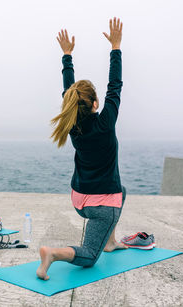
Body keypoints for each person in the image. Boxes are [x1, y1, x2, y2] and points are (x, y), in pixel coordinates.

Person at [37, 18, 127, 280]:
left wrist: (67, 56)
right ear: (97, 103)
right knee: (88, 256)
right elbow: (116, 86)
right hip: (101, 206)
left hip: (79, 199)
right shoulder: (106, 123)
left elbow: (70, 90)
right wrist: (116, 47)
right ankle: (52, 254)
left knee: (122, 191)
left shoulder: (73, 124)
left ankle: (109, 241)